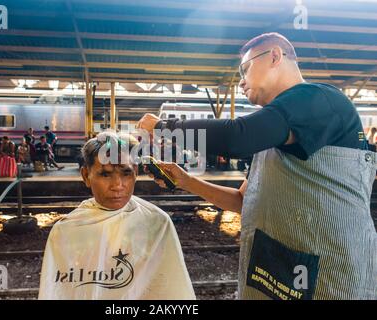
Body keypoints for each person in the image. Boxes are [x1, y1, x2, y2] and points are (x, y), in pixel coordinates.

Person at [138, 32, 377, 300]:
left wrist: (165, 127)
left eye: (245, 69)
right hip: (286, 272)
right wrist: (185, 181)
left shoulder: (318, 98)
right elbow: (243, 201)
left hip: (331, 275)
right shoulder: (276, 133)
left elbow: (236, 137)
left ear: (274, 56)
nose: (241, 81)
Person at [38, 132, 195, 300]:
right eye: (105, 174)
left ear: (135, 173)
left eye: (126, 173)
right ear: (86, 176)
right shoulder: (65, 231)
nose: (117, 185)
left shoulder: (158, 223)